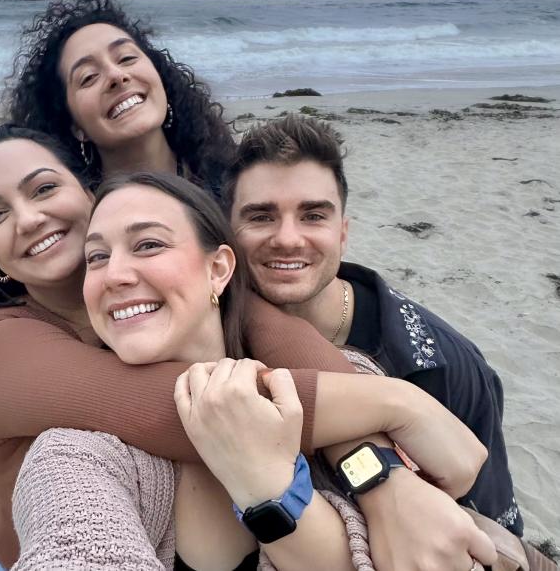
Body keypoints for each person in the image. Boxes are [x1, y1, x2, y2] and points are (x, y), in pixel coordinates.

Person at [0, 125, 490, 570]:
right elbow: (179, 405)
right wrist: (402, 404)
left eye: (43, 189)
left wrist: (381, 474)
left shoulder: (216, 304)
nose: (28, 218)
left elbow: (279, 334)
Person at [223, 113, 523, 534]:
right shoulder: (212, 334)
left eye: (313, 216)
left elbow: (494, 522)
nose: (288, 238)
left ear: (343, 233)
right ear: (229, 234)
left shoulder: (443, 365)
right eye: (261, 217)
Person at [4, 0, 235, 197]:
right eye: (89, 77)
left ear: (161, 78)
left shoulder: (232, 184)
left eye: (126, 58)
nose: (116, 76)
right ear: (75, 126)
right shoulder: (80, 221)